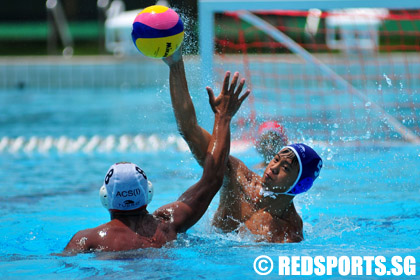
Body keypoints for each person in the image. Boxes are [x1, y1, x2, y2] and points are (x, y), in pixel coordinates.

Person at [63, 72, 250, 253]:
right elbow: (213, 179)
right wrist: (223, 116)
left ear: (105, 196)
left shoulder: (87, 240)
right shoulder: (168, 224)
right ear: (148, 192)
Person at [163, 48, 323, 243]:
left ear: (300, 186)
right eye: (276, 159)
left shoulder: (290, 232)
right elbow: (189, 130)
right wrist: (176, 64)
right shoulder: (238, 178)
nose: (273, 167)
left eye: (285, 168)